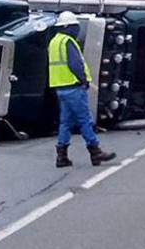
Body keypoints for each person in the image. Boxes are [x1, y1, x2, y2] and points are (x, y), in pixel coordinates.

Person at [48, 11, 116, 168]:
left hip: (60, 88)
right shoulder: (68, 41)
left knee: (65, 122)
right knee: (85, 119)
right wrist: (83, 80)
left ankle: (61, 156)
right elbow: (76, 64)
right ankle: (95, 151)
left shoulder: (54, 42)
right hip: (73, 87)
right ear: (70, 27)